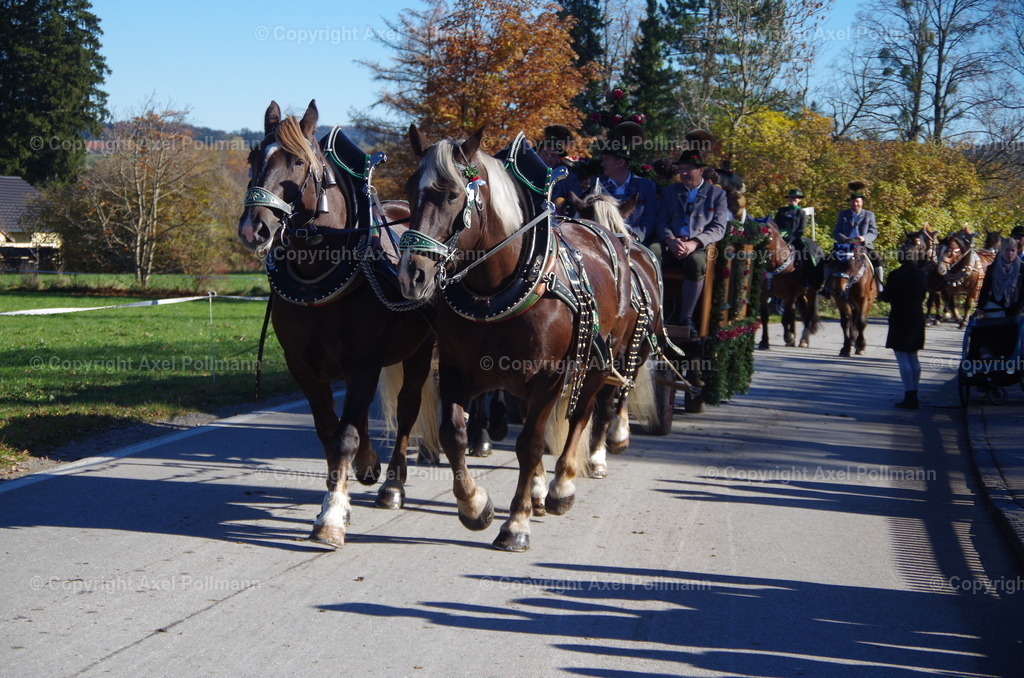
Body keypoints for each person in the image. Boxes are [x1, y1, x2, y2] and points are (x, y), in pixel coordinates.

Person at [656, 147, 728, 332]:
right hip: (670, 242)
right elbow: (661, 221)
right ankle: (652, 314)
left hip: (697, 244)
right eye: (681, 169)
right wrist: (670, 239)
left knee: (696, 262)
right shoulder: (670, 192)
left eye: (688, 169)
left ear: (701, 170)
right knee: (650, 254)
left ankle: (685, 319)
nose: (683, 173)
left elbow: (718, 228)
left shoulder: (717, 194)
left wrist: (694, 243)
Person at [878, 245, 927, 409]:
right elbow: (923, 294)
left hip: (900, 316)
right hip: (917, 316)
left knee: (902, 357)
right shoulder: (922, 274)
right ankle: (915, 394)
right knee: (913, 356)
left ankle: (909, 394)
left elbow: (887, 297)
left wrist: (883, 293)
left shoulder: (895, 275)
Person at [597, 122, 657, 244]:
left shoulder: (646, 186)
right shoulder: (596, 184)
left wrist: (635, 237)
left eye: (606, 159)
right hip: (604, 242)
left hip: (636, 243)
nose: (602, 164)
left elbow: (650, 219)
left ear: (620, 162)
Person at [821, 181, 884, 296]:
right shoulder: (843, 214)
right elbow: (836, 231)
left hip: (862, 246)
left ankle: (880, 289)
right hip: (844, 246)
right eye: (853, 202)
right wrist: (844, 238)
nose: (855, 204)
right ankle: (826, 287)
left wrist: (863, 238)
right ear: (849, 203)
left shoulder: (869, 215)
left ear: (862, 202)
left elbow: (874, 232)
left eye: (857, 202)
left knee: (877, 260)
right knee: (827, 260)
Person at [535, 124, 583, 215]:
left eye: (553, 155)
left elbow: (576, 204)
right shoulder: (527, 174)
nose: (549, 158)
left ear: (559, 158)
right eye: (545, 154)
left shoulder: (570, 179)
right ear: (538, 155)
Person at [977, 237, 1024, 316]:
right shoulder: (993, 268)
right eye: (1007, 250)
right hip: (995, 305)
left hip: (1016, 308)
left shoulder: (1021, 268)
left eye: (1013, 250)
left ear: (1017, 251)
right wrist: (980, 307)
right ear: (1001, 250)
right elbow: (985, 288)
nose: (1010, 253)